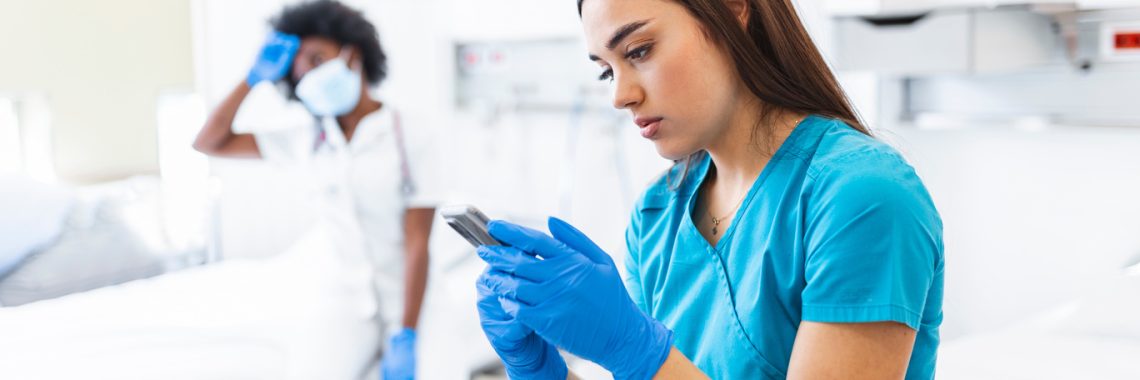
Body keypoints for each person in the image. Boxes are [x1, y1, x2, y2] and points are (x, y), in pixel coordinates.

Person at [473, 0, 944, 379]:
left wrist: (634, 349)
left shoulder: (860, 197)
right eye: (606, 70)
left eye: (639, 51)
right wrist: (539, 370)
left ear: (733, 11)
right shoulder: (658, 214)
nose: (620, 95)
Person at [192, 2, 437, 379]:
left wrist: (405, 334)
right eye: (298, 69)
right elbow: (209, 142)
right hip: (343, 300)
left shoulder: (411, 132)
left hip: (412, 300)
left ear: (352, 53)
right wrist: (252, 78)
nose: (308, 72)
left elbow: (417, 241)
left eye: (317, 57)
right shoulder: (305, 139)